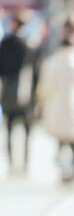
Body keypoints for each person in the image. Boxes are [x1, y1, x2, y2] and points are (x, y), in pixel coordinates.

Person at [35, 28, 74, 183]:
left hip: (56, 106)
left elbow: (44, 88)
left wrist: (42, 102)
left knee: (60, 140)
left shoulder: (51, 62)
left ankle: (63, 168)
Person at [0, 10, 36, 175]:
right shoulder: (29, 45)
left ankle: (11, 162)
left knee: (9, 128)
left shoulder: (5, 44)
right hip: (26, 93)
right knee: (27, 131)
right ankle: (25, 163)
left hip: (8, 92)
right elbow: (36, 71)